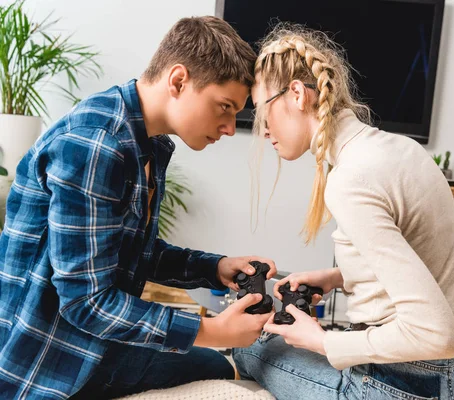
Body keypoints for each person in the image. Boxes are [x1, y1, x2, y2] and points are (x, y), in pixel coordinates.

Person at [0, 16, 277, 399]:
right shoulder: (96, 145)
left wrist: (213, 268)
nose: (230, 127)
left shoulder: (144, 142)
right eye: (224, 107)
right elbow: (85, 302)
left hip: (89, 340)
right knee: (219, 365)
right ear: (178, 81)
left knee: (216, 362)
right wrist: (212, 332)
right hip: (49, 355)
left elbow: (129, 254)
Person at [232, 23, 454, 400]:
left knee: (248, 347)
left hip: (401, 381)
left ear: (296, 94)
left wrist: (323, 341)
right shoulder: (402, 149)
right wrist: (338, 277)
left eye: (262, 109)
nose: (262, 128)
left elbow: (434, 333)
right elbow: (416, 264)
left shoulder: (350, 179)